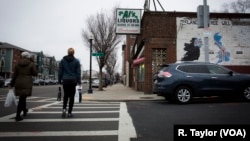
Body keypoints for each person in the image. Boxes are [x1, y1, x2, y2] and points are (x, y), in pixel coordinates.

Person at [10, 51, 37, 121]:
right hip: (27, 83)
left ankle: (24, 110)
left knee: (22, 97)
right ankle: (18, 115)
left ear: (22, 56)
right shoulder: (31, 64)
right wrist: (32, 62)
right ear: (28, 57)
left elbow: (14, 75)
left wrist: (11, 84)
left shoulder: (17, 64)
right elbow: (35, 73)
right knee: (22, 99)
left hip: (18, 82)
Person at [58, 48, 81, 118]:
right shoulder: (76, 61)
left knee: (65, 95)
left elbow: (60, 71)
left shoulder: (62, 61)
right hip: (73, 81)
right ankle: (69, 112)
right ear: (73, 53)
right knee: (71, 97)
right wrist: (79, 81)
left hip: (65, 80)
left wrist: (59, 80)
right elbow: (78, 73)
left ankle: (64, 109)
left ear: (67, 52)